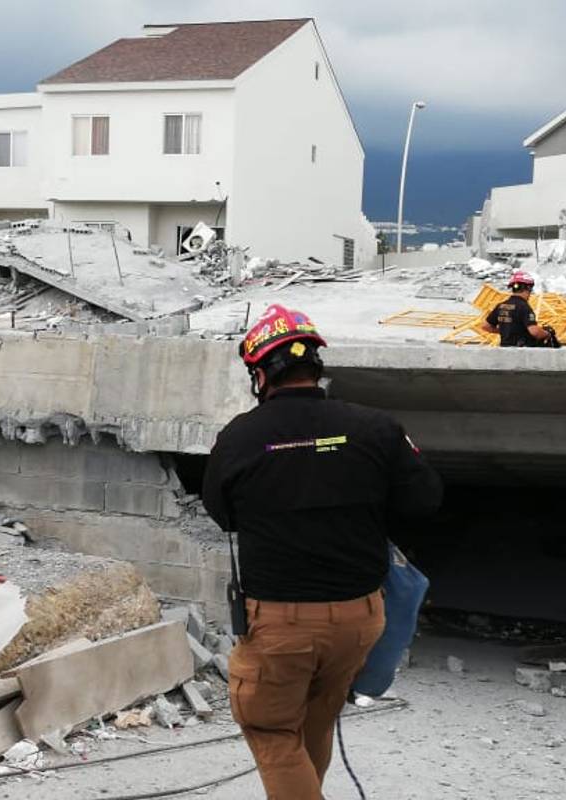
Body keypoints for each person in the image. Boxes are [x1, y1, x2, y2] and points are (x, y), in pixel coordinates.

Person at [202, 304, 443, 799]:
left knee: (271, 730)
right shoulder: (377, 427)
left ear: (260, 374)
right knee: (315, 719)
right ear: (315, 363)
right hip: (359, 619)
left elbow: (223, 514)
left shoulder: (239, 438)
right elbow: (424, 500)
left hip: (281, 624)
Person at [481, 269, 552, 346]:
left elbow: (485, 326)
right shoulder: (523, 307)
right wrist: (547, 334)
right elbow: (534, 331)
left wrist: (505, 330)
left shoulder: (501, 306)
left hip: (504, 350)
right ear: (528, 288)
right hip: (522, 353)